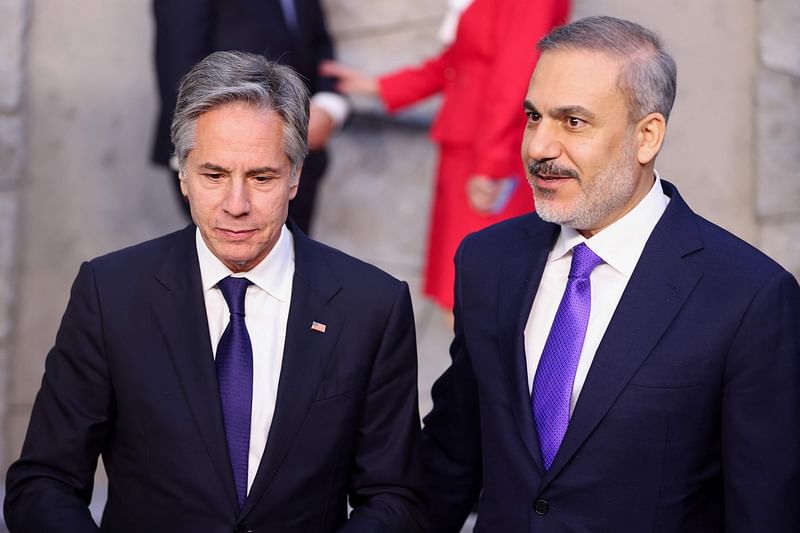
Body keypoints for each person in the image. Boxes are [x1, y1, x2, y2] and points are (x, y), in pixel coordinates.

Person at [5, 51, 425, 533]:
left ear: (295, 177)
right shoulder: (111, 294)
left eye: (261, 177)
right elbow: (43, 482)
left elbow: (394, 497)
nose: (236, 204)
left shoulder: (371, 306)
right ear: (183, 175)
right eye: (214, 175)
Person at [421, 16, 800, 532]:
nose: (539, 148)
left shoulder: (749, 299)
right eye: (534, 117)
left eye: (572, 122)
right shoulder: (488, 263)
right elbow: (447, 465)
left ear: (647, 137)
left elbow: (764, 512)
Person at [321, 0, 569, 311]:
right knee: (459, 290)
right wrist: (380, 87)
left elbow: (517, 78)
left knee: (480, 294)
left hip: (492, 155)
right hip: (464, 152)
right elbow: (457, 65)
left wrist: (491, 165)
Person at [152, 0, 348, 234]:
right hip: (222, 158)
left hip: (302, 157)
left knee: (292, 262)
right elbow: (179, 65)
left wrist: (328, 107)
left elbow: (317, 43)